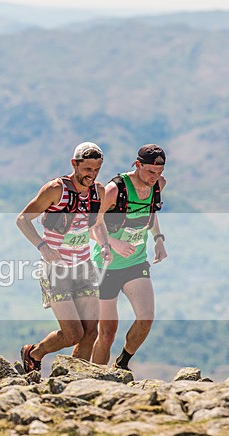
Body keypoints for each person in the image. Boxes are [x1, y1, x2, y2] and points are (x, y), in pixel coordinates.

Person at [16, 142, 113, 372]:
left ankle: (73, 379)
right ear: (74, 164)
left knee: (90, 332)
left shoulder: (98, 192)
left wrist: (105, 244)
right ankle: (34, 353)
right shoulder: (55, 189)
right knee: (73, 333)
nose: (92, 174)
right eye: (87, 169)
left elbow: (97, 225)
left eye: (97, 169)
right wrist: (42, 247)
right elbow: (22, 219)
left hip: (84, 267)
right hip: (56, 270)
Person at [91, 144, 168, 370]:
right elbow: (93, 224)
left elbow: (151, 212)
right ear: (137, 165)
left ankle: (122, 363)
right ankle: (93, 378)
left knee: (146, 318)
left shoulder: (158, 186)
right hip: (106, 265)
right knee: (107, 333)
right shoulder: (115, 190)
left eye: (160, 173)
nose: (155, 178)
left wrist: (159, 239)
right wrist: (111, 243)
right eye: (150, 172)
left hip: (135, 262)